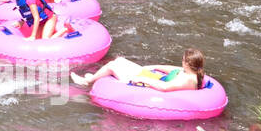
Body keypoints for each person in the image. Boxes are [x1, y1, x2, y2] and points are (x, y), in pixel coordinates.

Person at [72, 48, 207, 91]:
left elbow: (165, 87)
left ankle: (88, 82)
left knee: (112, 66)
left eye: (183, 60)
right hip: (154, 77)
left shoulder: (188, 80)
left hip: (148, 85)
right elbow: (170, 69)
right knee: (120, 60)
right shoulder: (191, 71)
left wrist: (141, 78)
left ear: (187, 63)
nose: (181, 62)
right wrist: (152, 67)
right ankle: (92, 78)